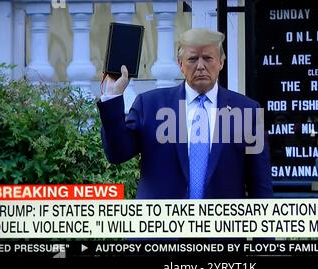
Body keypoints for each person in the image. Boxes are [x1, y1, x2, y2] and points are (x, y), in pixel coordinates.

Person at [97, 28, 272, 199]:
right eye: (193, 59)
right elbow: (117, 154)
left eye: (208, 58)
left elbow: (260, 185)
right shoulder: (150, 105)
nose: (201, 66)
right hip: (162, 224)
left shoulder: (248, 111)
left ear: (221, 62)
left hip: (221, 225)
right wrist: (113, 96)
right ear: (181, 64)